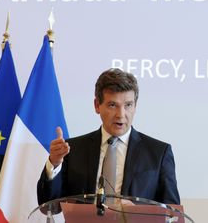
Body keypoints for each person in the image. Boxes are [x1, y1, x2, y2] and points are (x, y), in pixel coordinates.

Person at [37, 68, 180, 205]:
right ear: (97, 105)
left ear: (135, 106)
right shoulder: (73, 150)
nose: (121, 114)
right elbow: (49, 204)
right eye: (112, 105)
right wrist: (54, 163)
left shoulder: (159, 153)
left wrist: (139, 212)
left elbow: (172, 214)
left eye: (128, 105)